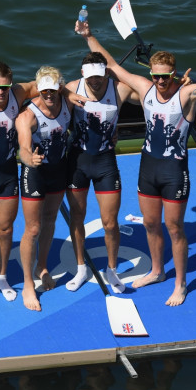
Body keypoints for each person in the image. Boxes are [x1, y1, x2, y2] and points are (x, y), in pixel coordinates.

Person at [76, 19, 196, 306]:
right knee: (152, 224)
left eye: (165, 77)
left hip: (174, 170)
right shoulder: (144, 87)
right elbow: (112, 65)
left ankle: (180, 283)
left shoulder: (187, 94)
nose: (160, 82)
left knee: (175, 228)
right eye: (156, 76)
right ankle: (157, 271)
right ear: (151, 74)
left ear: (174, 74)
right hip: (148, 167)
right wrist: (89, 35)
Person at [0, 63, 88, 303]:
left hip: (7, 174)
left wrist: (69, 93)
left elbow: (48, 86)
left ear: (11, 85)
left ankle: (2, 276)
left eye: (5, 87)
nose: (0, 92)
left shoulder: (19, 93)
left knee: (5, 229)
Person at [63, 52, 140, 294]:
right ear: (82, 73)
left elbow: (152, 97)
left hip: (106, 162)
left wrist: (177, 85)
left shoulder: (120, 90)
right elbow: (45, 103)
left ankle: (112, 270)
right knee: (77, 217)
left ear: (106, 72)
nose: (94, 82)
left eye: (99, 76)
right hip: (77, 162)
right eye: (90, 77)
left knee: (109, 223)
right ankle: (80, 268)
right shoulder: (71, 89)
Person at [16, 66, 74, 311]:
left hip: (58, 170)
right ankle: (28, 284)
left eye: (53, 90)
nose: (49, 95)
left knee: (50, 220)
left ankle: (42, 266)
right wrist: (30, 159)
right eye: (44, 91)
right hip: (35, 172)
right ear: (38, 89)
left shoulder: (68, 103)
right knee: (33, 228)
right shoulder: (28, 116)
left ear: (59, 87)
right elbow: (23, 147)